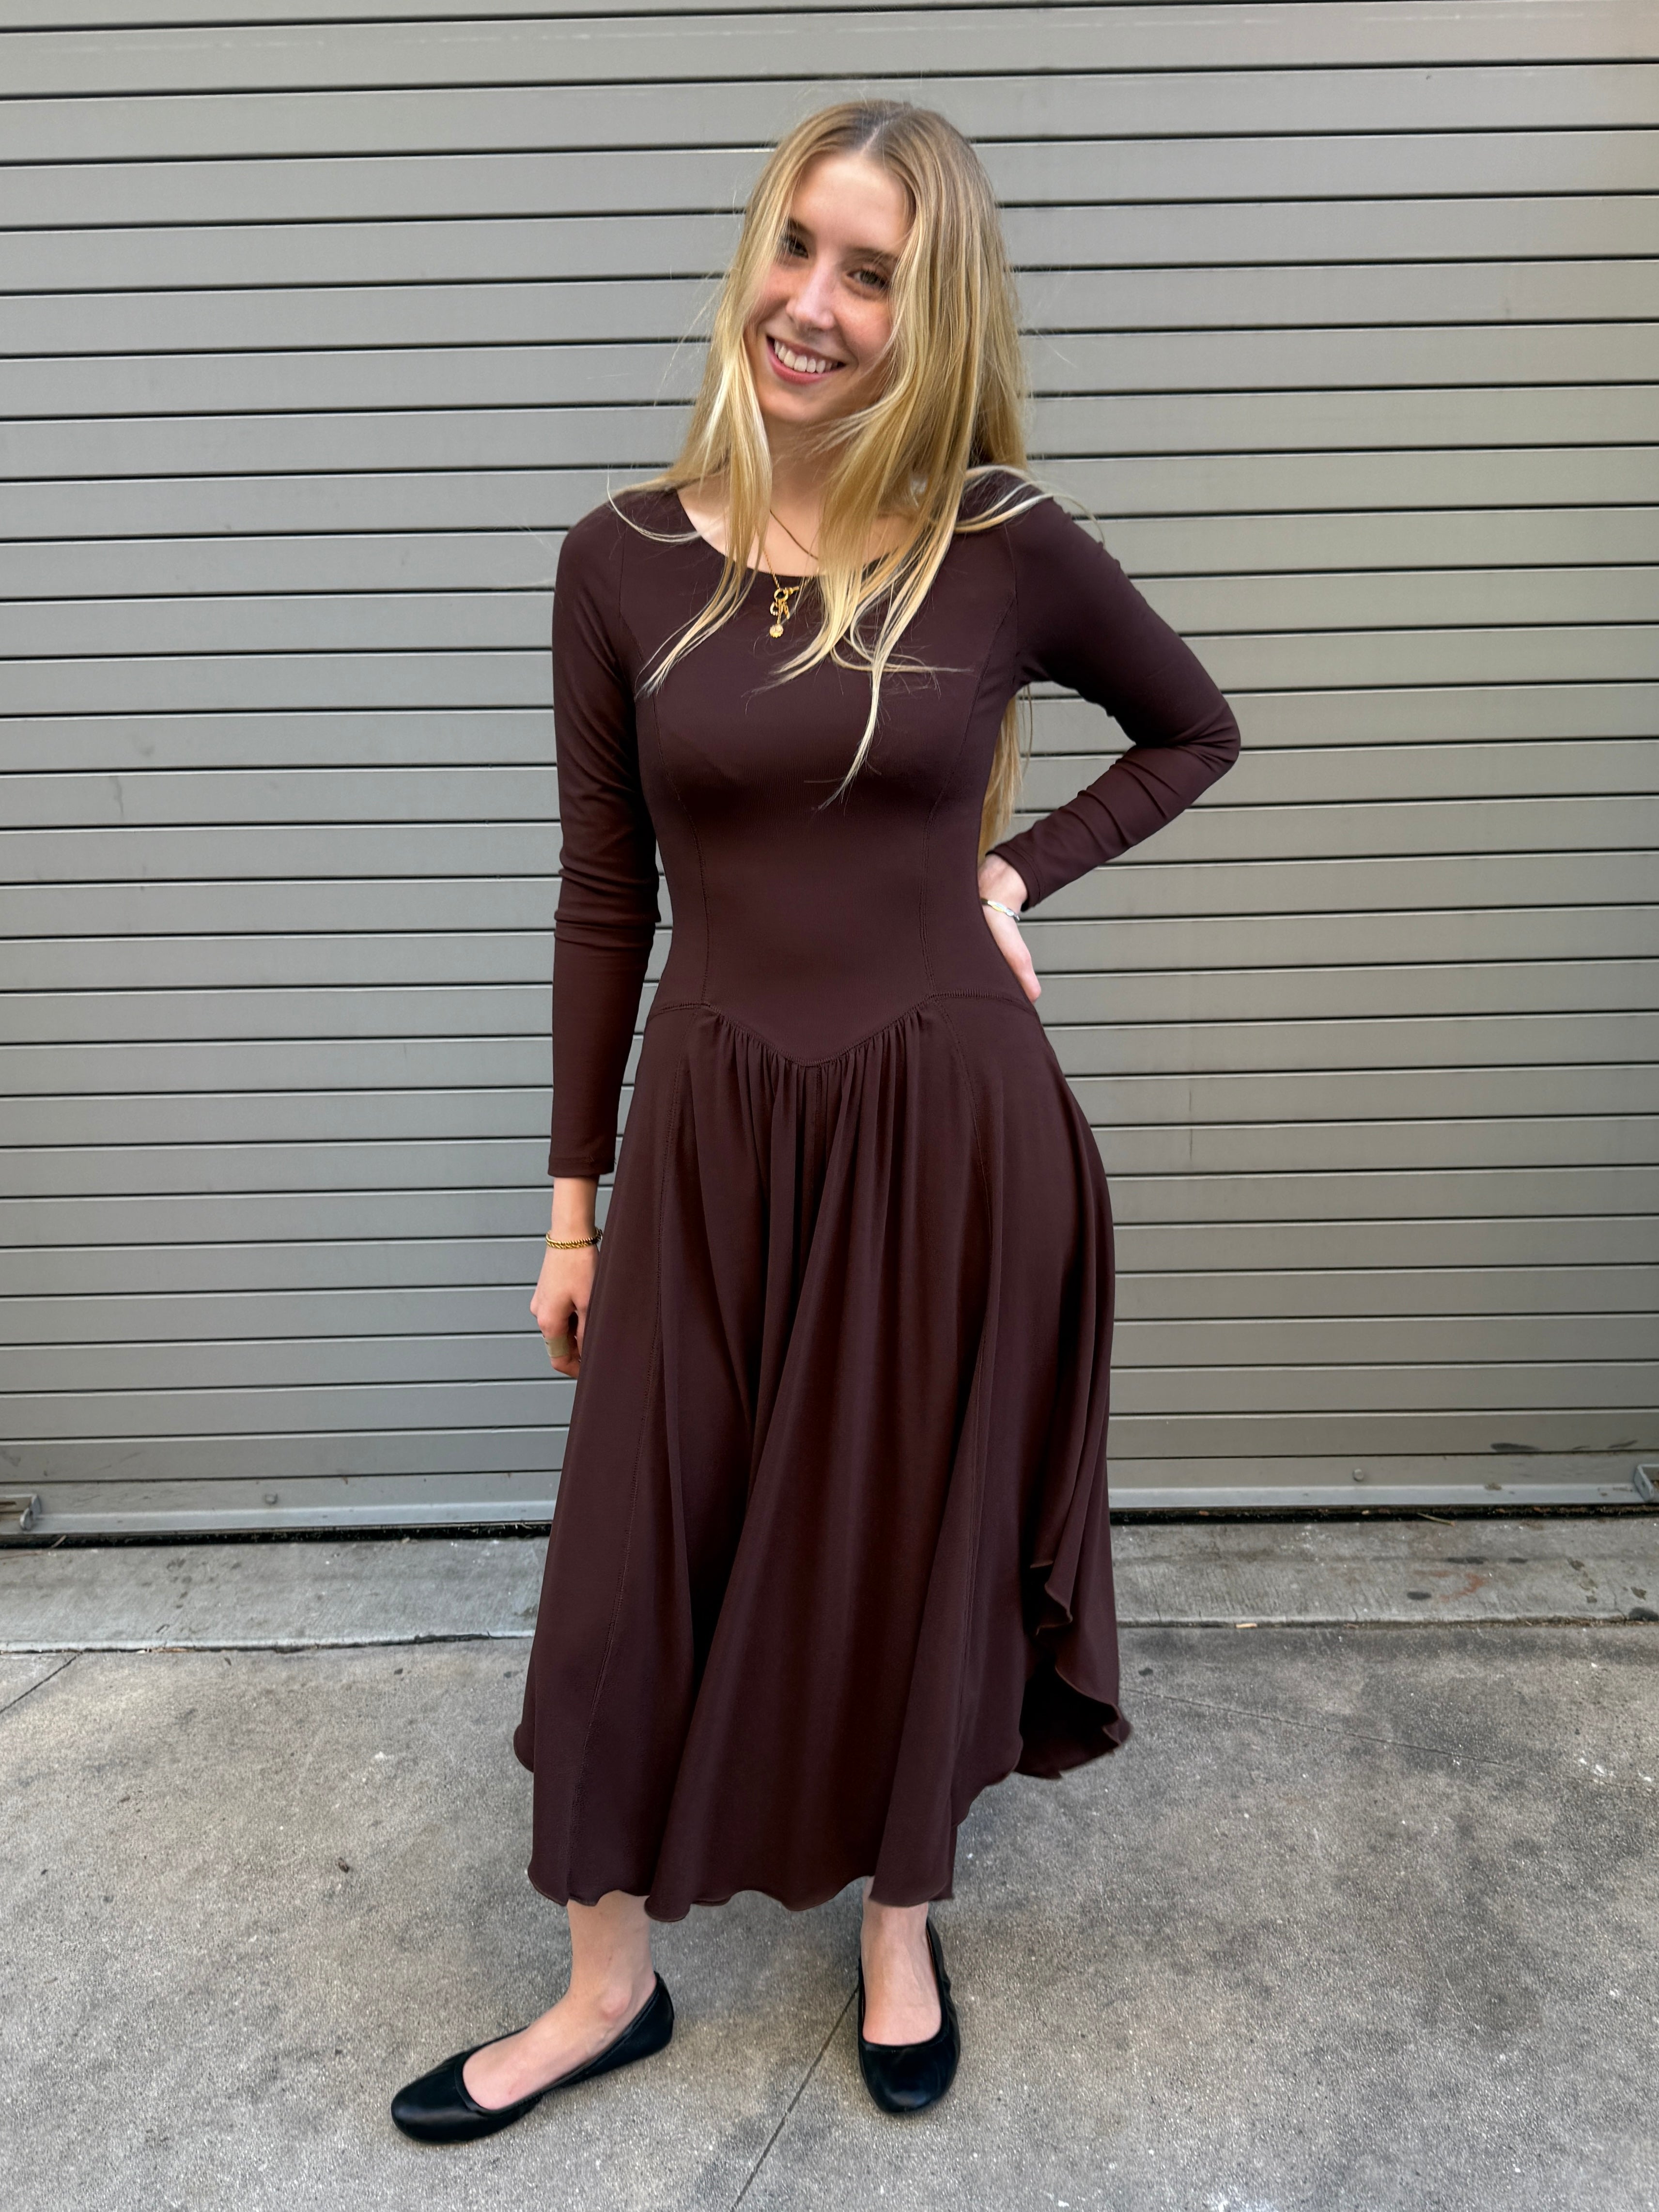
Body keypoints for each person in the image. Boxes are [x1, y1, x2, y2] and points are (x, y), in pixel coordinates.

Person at [391, 98, 1240, 2142]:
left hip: (951, 1131)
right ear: (750, 254)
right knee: (626, 1567)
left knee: (913, 1539)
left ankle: (897, 1921)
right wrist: (570, 1202)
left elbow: (1189, 728)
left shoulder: (1001, 541)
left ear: (926, 308)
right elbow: (604, 894)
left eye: (873, 272)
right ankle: (607, 1981)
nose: (817, 304)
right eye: (799, 247)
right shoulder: (618, 557)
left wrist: (1013, 872)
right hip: (707, 1129)